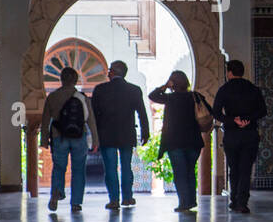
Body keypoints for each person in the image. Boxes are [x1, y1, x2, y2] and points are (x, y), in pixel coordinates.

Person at [91, 60, 151, 210]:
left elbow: (94, 115)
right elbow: (142, 113)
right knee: (126, 167)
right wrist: (145, 132)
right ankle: (128, 197)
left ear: (113, 72)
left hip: (106, 135)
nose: (108, 72)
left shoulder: (100, 89)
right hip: (127, 134)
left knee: (110, 168)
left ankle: (114, 200)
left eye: (109, 70)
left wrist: (94, 136)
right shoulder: (134, 90)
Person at [149, 71, 211, 213]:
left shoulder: (170, 98)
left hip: (175, 142)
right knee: (189, 171)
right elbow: (209, 111)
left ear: (173, 83)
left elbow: (152, 96)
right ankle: (191, 200)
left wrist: (165, 86)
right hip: (193, 141)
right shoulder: (195, 97)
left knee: (180, 172)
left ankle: (184, 202)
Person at [40, 66, 99, 213]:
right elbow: (90, 119)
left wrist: (44, 139)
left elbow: (45, 119)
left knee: (59, 167)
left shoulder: (52, 97)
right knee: (78, 169)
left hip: (59, 136)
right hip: (79, 136)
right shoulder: (82, 97)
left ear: (61, 79)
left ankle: (56, 193)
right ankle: (76, 202)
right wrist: (96, 140)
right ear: (75, 80)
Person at [211, 59, 267, 215]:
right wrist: (248, 120)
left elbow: (216, 112)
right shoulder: (253, 89)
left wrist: (232, 120)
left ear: (229, 72)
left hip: (232, 135)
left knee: (233, 168)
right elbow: (263, 110)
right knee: (245, 169)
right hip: (250, 134)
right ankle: (242, 202)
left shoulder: (224, 90)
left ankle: (234, 199)